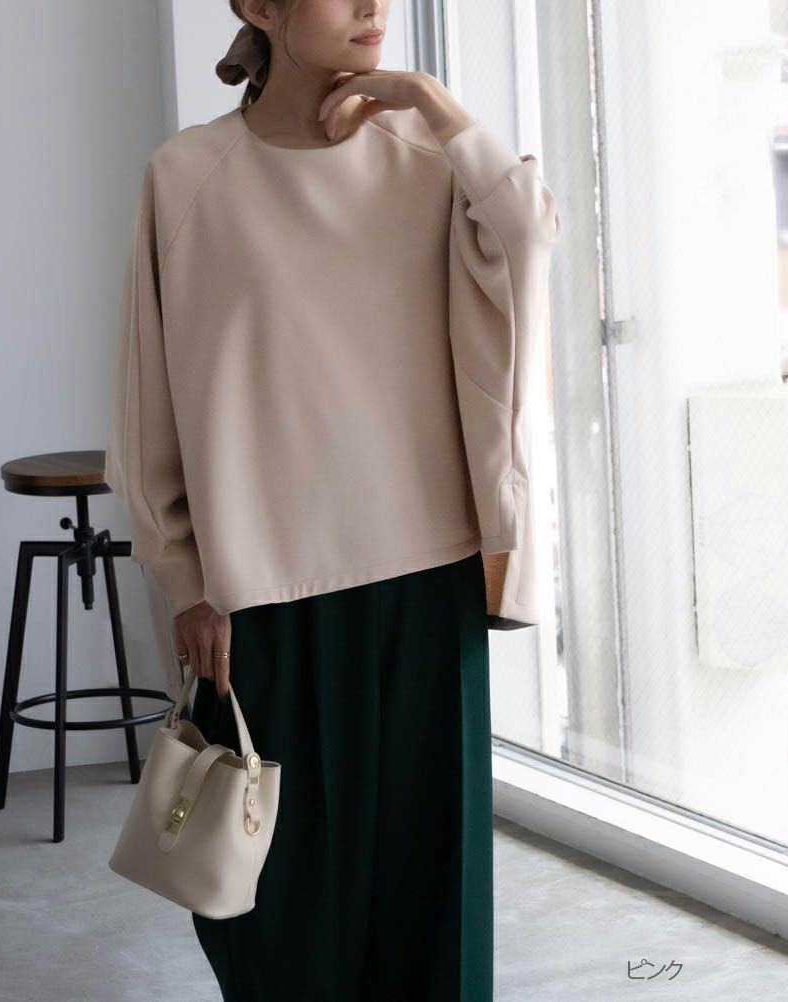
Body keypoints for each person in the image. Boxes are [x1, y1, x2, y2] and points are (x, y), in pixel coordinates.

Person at [104, 1, 561, 998]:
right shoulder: (187, 176)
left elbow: (530, 239)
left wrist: (433, 102)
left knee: (429, 919)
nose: (372, 6)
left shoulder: (429, 159)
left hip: (426, 583)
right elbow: (148, 406)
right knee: (277, 931)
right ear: (259, 7)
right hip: (259, 602)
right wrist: (183, 577)